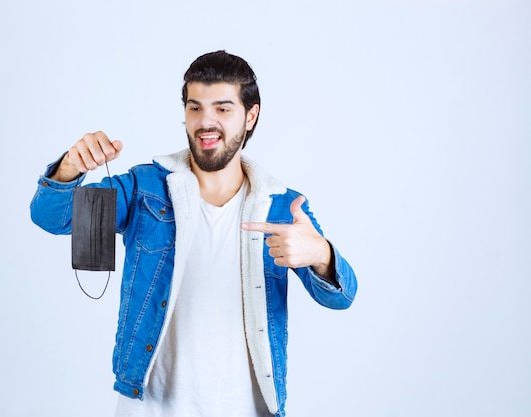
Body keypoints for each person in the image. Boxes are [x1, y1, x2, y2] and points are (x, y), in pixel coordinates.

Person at [30, 50, 357, 417]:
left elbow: (342, 298)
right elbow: (50, 217)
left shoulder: (284, 206)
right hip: (149, 408)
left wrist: (322, 256)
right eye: (195, 108)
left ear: (251, 116)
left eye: (222, 109)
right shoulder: (145, 188)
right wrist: (69, 168)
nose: (206, 122)